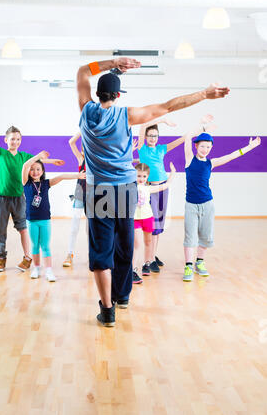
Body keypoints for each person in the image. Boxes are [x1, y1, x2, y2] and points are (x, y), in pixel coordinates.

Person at [77, 56, 230, 327]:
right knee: (125, 246)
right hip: (125, 189)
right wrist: (205, 94)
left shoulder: (85, 112)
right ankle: (122, 295)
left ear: (97, 93)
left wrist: (112, 62)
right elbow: (169, 105)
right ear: (118, 94)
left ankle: (108, 310)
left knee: (101, 251)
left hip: (99, 190)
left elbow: (82, 72)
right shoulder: (127, 115)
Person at [0, 105, 65, 272]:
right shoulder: (0, 153)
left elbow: (38, 161)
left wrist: (53, 162)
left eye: (18, 139)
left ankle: (27, 257)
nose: (15, 141)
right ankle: (0, 257)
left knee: (23, 228)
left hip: (20, 198)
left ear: (20, 141)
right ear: (6, 140)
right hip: (2, 198)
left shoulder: (24, 156)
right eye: (12, 139)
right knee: (0, 229)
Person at [183, 119, 261, 281]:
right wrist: (202, 126)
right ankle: (188, 266)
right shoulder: (190, 159)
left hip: (207, 204)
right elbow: (188, 136)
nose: (205, 149)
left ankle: (200, 262)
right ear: (196, 146)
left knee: (206, 235)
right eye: (202, 146)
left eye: (208, 147)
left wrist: (250, 147)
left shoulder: (211, 163)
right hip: (191, 204)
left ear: (211, 149)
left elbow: (231, 156)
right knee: (190, 236)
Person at [22, 151, 86, 281]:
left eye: (38, 169)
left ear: (42, 171)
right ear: (29, 172)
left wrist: (77, 175)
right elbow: (25, 165)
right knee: (35, 246)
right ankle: (36, 267)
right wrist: (38, 156)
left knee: (45, 246)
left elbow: (61, 176)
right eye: (32, 169)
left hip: (45, 220)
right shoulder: (26, 184)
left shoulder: (46, 183)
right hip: (31, 221)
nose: (35, 171)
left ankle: (49, 270)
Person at [137, 117, 184, 272]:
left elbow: (181, 140)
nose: (152, 138)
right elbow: (143, 124)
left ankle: (153, 255)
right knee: (153, 224)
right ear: (145, 137)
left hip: (164, 187)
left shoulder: (161, 149)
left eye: (155, 136)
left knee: (159, 224)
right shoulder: (142, 148)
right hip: (150, 189)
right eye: (150, 135)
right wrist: (164, 120)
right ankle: (149, 260)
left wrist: (199, 130)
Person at [133, 162, 176, 284]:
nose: (141, 179)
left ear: (148, 177)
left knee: (148, 242)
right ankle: (132, 269)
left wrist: (172, 173)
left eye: (144, 176)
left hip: (147, 217)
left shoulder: (149, 188)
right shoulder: (130, 186)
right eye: (138, 176)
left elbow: (166, 185)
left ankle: (146, 264)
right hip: (134, 218)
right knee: (136, 244)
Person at [63, 132, 86, 267]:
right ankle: (70, 254)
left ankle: (93, 254)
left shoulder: (99, 160)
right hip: (79, 195)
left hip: (94, 197)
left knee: (91, 229)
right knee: (74, 226)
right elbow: (71, 142)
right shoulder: (80, 159)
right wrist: (83, 129)